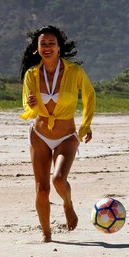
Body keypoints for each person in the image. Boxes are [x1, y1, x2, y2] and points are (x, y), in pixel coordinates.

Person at [20, 25, 96, 243]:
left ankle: (67, 204)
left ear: (59, 47)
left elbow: (90, 95)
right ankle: (47, 234)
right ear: (36, 49)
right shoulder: (32, 74)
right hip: (39, 135)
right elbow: (28, 106)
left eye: (51, 43)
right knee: (42, 190)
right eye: (43, 44)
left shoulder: (74, 72)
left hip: (66, 136)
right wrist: (32, 105)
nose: (47, 47)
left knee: (59, 180)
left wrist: (86, 125)